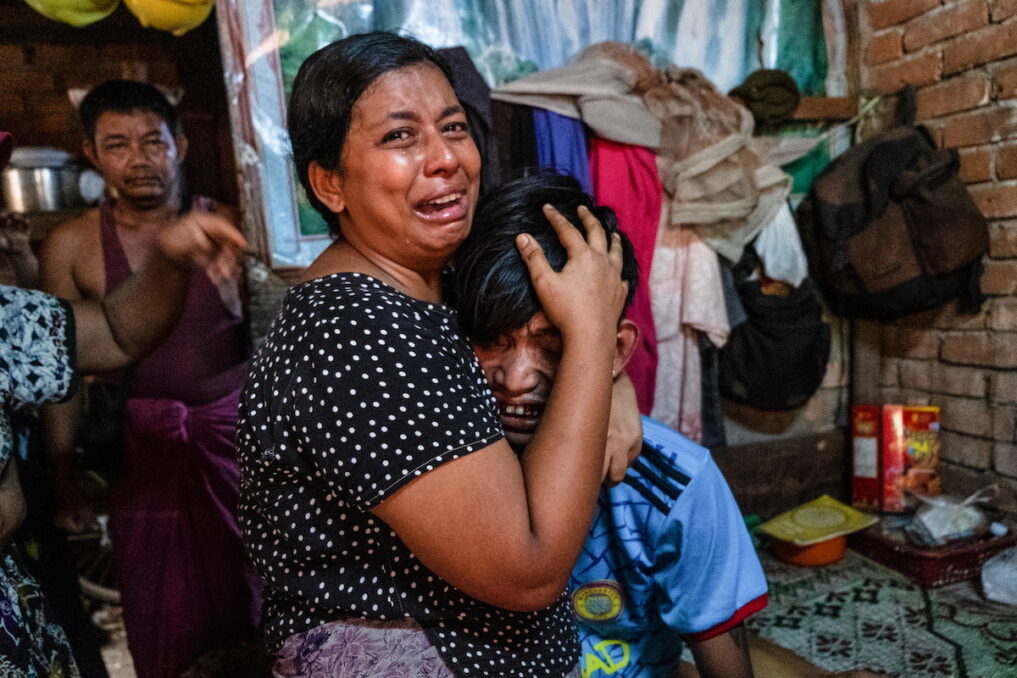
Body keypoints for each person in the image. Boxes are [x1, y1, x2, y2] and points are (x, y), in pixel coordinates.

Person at [238, 32, 630, 678]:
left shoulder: (423, 290)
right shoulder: (356, 330)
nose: (444, 158)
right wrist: (589, 335)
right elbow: (527, 569)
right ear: (328, 183)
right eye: (399, 137)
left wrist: (614, 385)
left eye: (452, 127)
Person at [447, 171, 769, 678]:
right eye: (491, 341)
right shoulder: (438, 457)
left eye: (552, 347)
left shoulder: (676, 483)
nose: (515, 379)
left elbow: (725, 662)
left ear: (617, 350)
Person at [0, 129, 248, 678]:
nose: (138, 160)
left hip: (13, 614)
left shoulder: (5, 318)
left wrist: (167, 257)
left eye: (152, 142)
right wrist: (64, 470)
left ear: (180, 146)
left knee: (248, 592)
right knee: (163, 602)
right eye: (117, 144)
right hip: (141, 455)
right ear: (91, 154)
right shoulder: (73, 241)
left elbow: (109, 333)